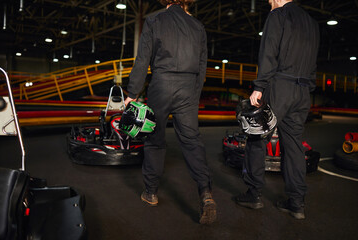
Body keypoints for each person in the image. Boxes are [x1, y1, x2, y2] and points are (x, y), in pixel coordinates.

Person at [124, 0, 216, 224]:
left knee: (154, 139)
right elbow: (202, 65)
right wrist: (195, 92)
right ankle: (205, 193)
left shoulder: (155, 20)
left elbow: (143, 59)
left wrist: (132, 93)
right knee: (192, 140)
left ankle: (151, 192)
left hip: (161, 85)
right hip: (188, 86)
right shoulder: (198, 26)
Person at [235, 0, 319, 220]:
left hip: (279, 86)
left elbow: (269, 53)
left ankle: (254, 195)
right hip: (302, 92)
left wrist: (259, 86)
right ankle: (296, 203)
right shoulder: (312, 23)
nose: (269, 2)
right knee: (293, 146)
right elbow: (313, 62)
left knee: (256, 138)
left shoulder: (277, 15)